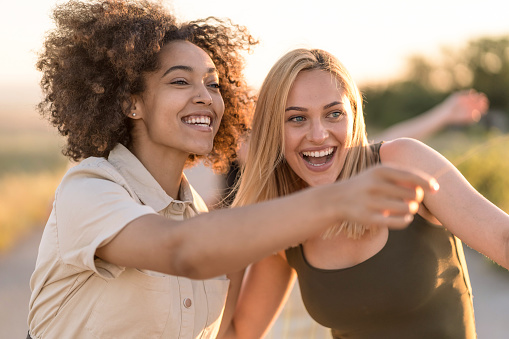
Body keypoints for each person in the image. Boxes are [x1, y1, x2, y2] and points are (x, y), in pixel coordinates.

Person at [27, 1, 437, 338]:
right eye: (180, 82)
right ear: (131, 102)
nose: (205, 97)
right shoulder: (89, 189)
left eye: (213, 84)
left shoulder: (204, 226)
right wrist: (334, 199)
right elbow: (182, 250)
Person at [226, 48, 509, 338]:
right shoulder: (283, 225)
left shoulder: (402, 161)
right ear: (274, 130)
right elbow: (240, 332)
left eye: (334, 114)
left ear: (353, 114)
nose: (318, 134)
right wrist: (231, 248)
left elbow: (503, 238)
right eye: (297, 119)